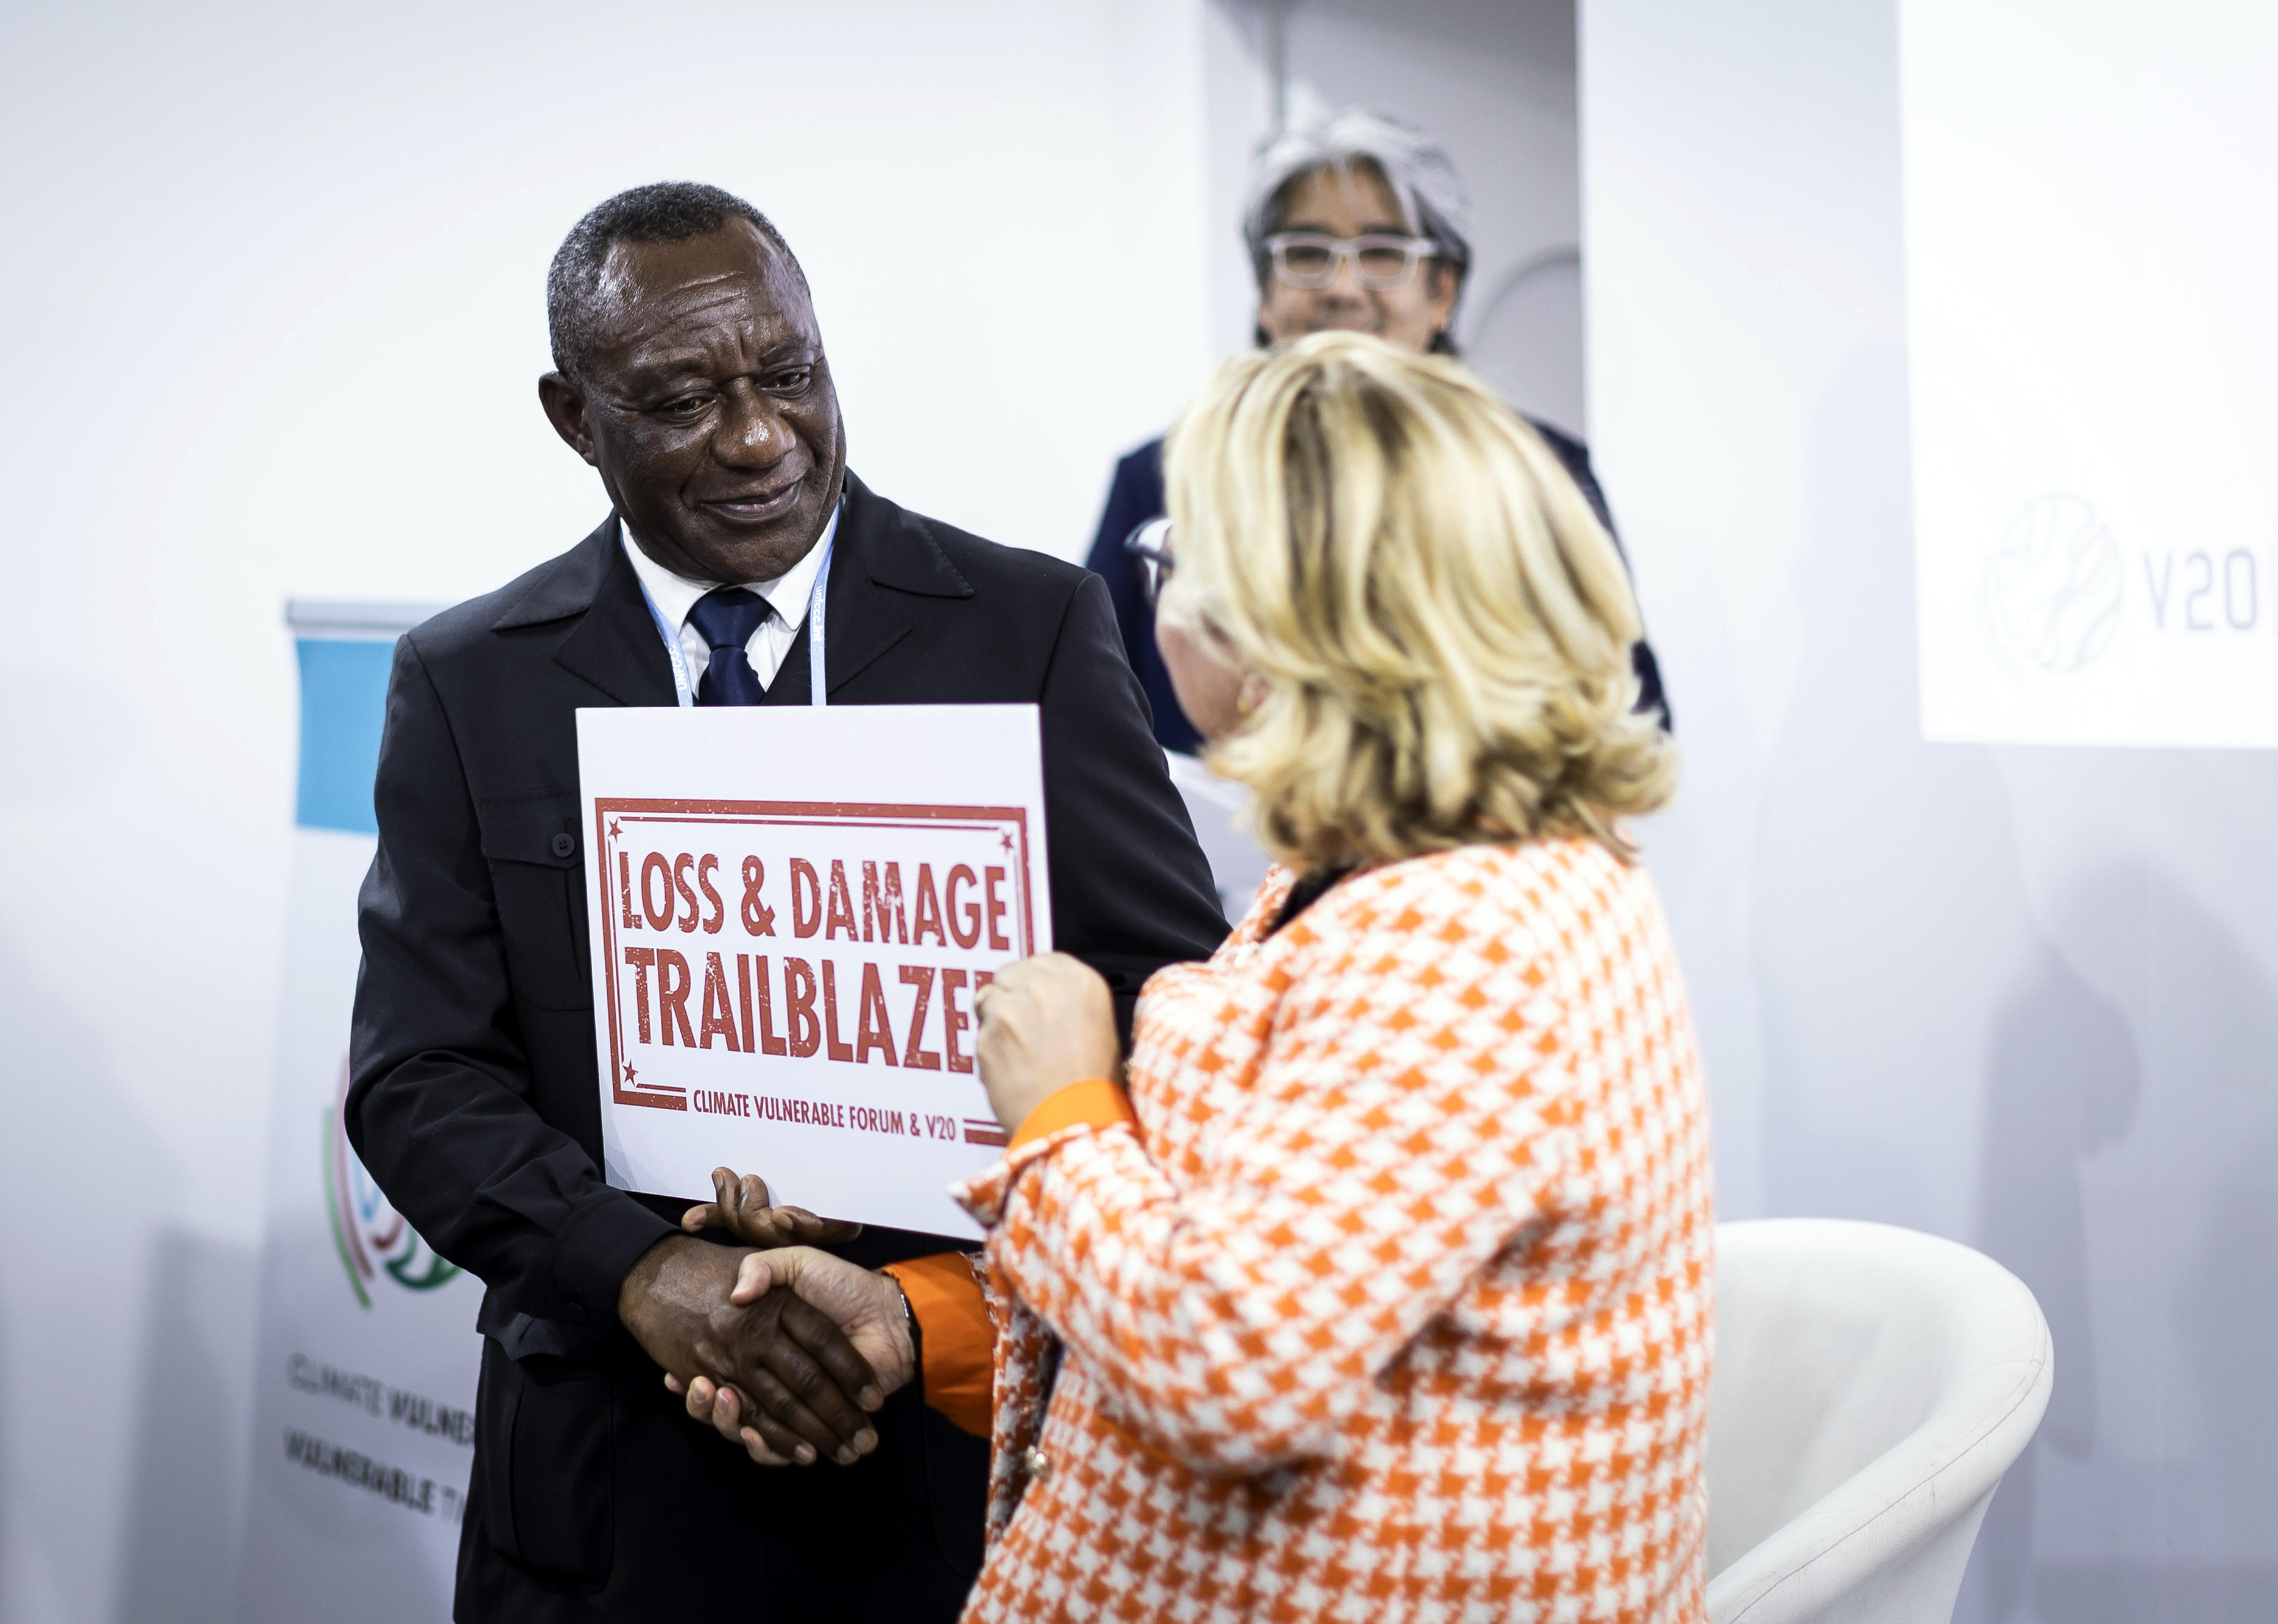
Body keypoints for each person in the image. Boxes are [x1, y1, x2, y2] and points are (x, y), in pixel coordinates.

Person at [686, 333, 1715, 1623]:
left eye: (1173, 558)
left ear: (1293, 618)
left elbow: (1229, 1363)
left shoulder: (1463, 936)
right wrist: (918, 1322)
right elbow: (1266, 1261)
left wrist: (1061, 1110)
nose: (1155, 589)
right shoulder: (1397, 881)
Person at [346, 182, 1228, 1624]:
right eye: (683, 396)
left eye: (791, 376)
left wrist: (928, 1301)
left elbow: (1173, 1011)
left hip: (946, 1468)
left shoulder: (1028, 626)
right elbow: (417, 1077)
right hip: (605, 1493)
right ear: (576, 418)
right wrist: (642, 1268)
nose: (758, 438)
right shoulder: (471, 679)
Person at [1087, 109, 1670, 751]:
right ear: (1262, 290)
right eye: (1306, 253)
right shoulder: (1163, 477)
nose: (1342, 287)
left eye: (1382, 253)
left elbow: (1628, 717)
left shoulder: (1538, 475)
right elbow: (1092, 725)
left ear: (1442, 290)